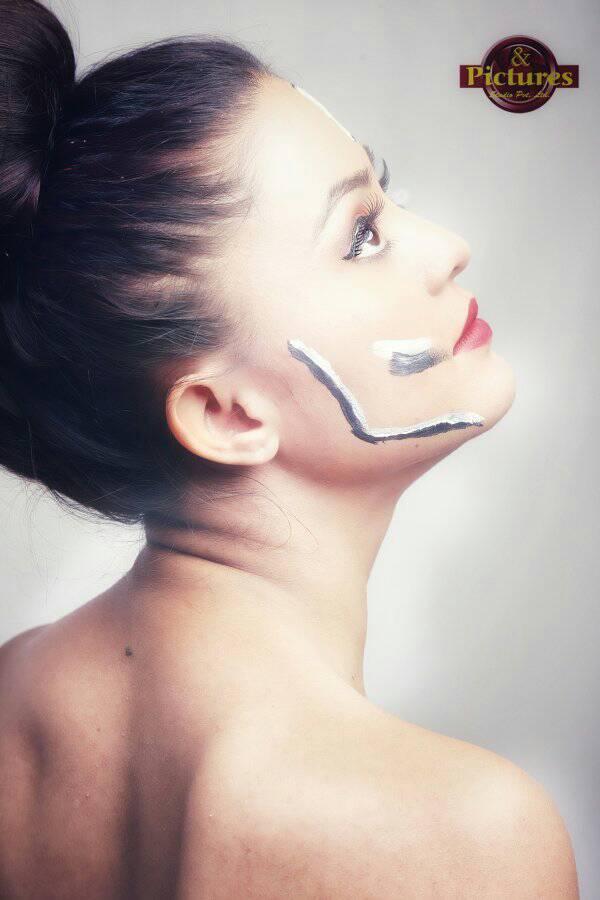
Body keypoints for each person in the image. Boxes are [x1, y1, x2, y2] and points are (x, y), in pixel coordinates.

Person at [0, 1, 579, 897]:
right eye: (361, 236)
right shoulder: (465, 838)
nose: (448, 249)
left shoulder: (12, 701)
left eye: (387, 197)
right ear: (226, 414)